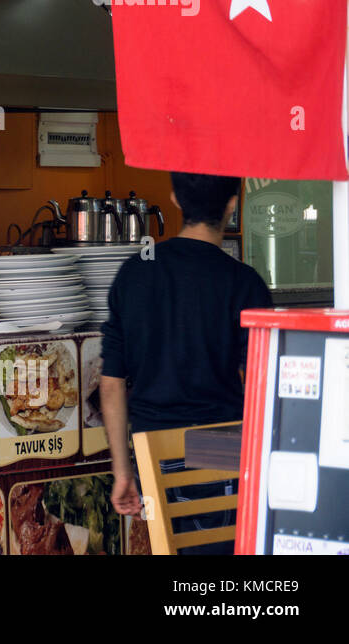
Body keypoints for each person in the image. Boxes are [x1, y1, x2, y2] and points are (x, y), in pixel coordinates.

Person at [100, 171, 271, 551]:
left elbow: (111, 383)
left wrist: (123, 470)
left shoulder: (134, 273)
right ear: (233, 203)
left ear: (175, 199)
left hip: (151, 452)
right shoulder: (245, 283)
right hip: (222, 449)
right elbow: (261, 386)